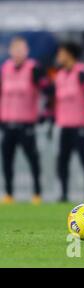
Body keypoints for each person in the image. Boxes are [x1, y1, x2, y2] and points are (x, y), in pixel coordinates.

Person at [0, 37, 48, 204]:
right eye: (15, 49)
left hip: (26, 123)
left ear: (26, 51)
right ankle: (8, 194)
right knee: (6, 160)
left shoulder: (33, 68)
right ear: (10, 51)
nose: (18, 53)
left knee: (32, 159)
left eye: (21, 49)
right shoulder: (5, 68)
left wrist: (44, 113)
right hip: (7, 124)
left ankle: (36, 193)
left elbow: (47, 90)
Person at [50, 42, 84, 202]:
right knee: (62, 161)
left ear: (69, 54)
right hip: (64, 126)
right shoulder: (59, 75)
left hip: (80, 126)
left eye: (61, 53)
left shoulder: (82, 72)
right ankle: (63, 195)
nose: (59, 56)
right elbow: (55, 102)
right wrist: (51, 123)